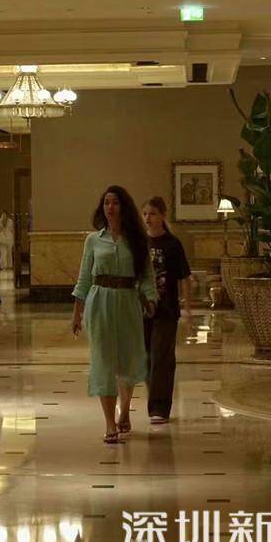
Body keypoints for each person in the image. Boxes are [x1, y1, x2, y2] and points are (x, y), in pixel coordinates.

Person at [71, 186, 157, 444]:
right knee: (104, 362)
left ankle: (124, 410)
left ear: (124, 207)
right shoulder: (93, 240)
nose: (110, 207)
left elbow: (147, 275)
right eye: (106, 202)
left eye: (115, 203)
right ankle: (110, 423)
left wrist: (150, 299)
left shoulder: (137, 241)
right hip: (100, 303)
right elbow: (84, 278)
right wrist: (77, 313)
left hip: (128, 302)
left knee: (127, 361)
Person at [142, 197, 192, 424]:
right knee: (146, 358)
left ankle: (159, 408)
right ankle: (154, 396)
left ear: (162, 215)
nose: (147, 218)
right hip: (142, 309)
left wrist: (187, 307)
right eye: (145, 214)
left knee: (161, 356)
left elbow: (184, 277)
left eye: (152, 213)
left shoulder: (172, 243)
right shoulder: (140, 242)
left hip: (166, 309)